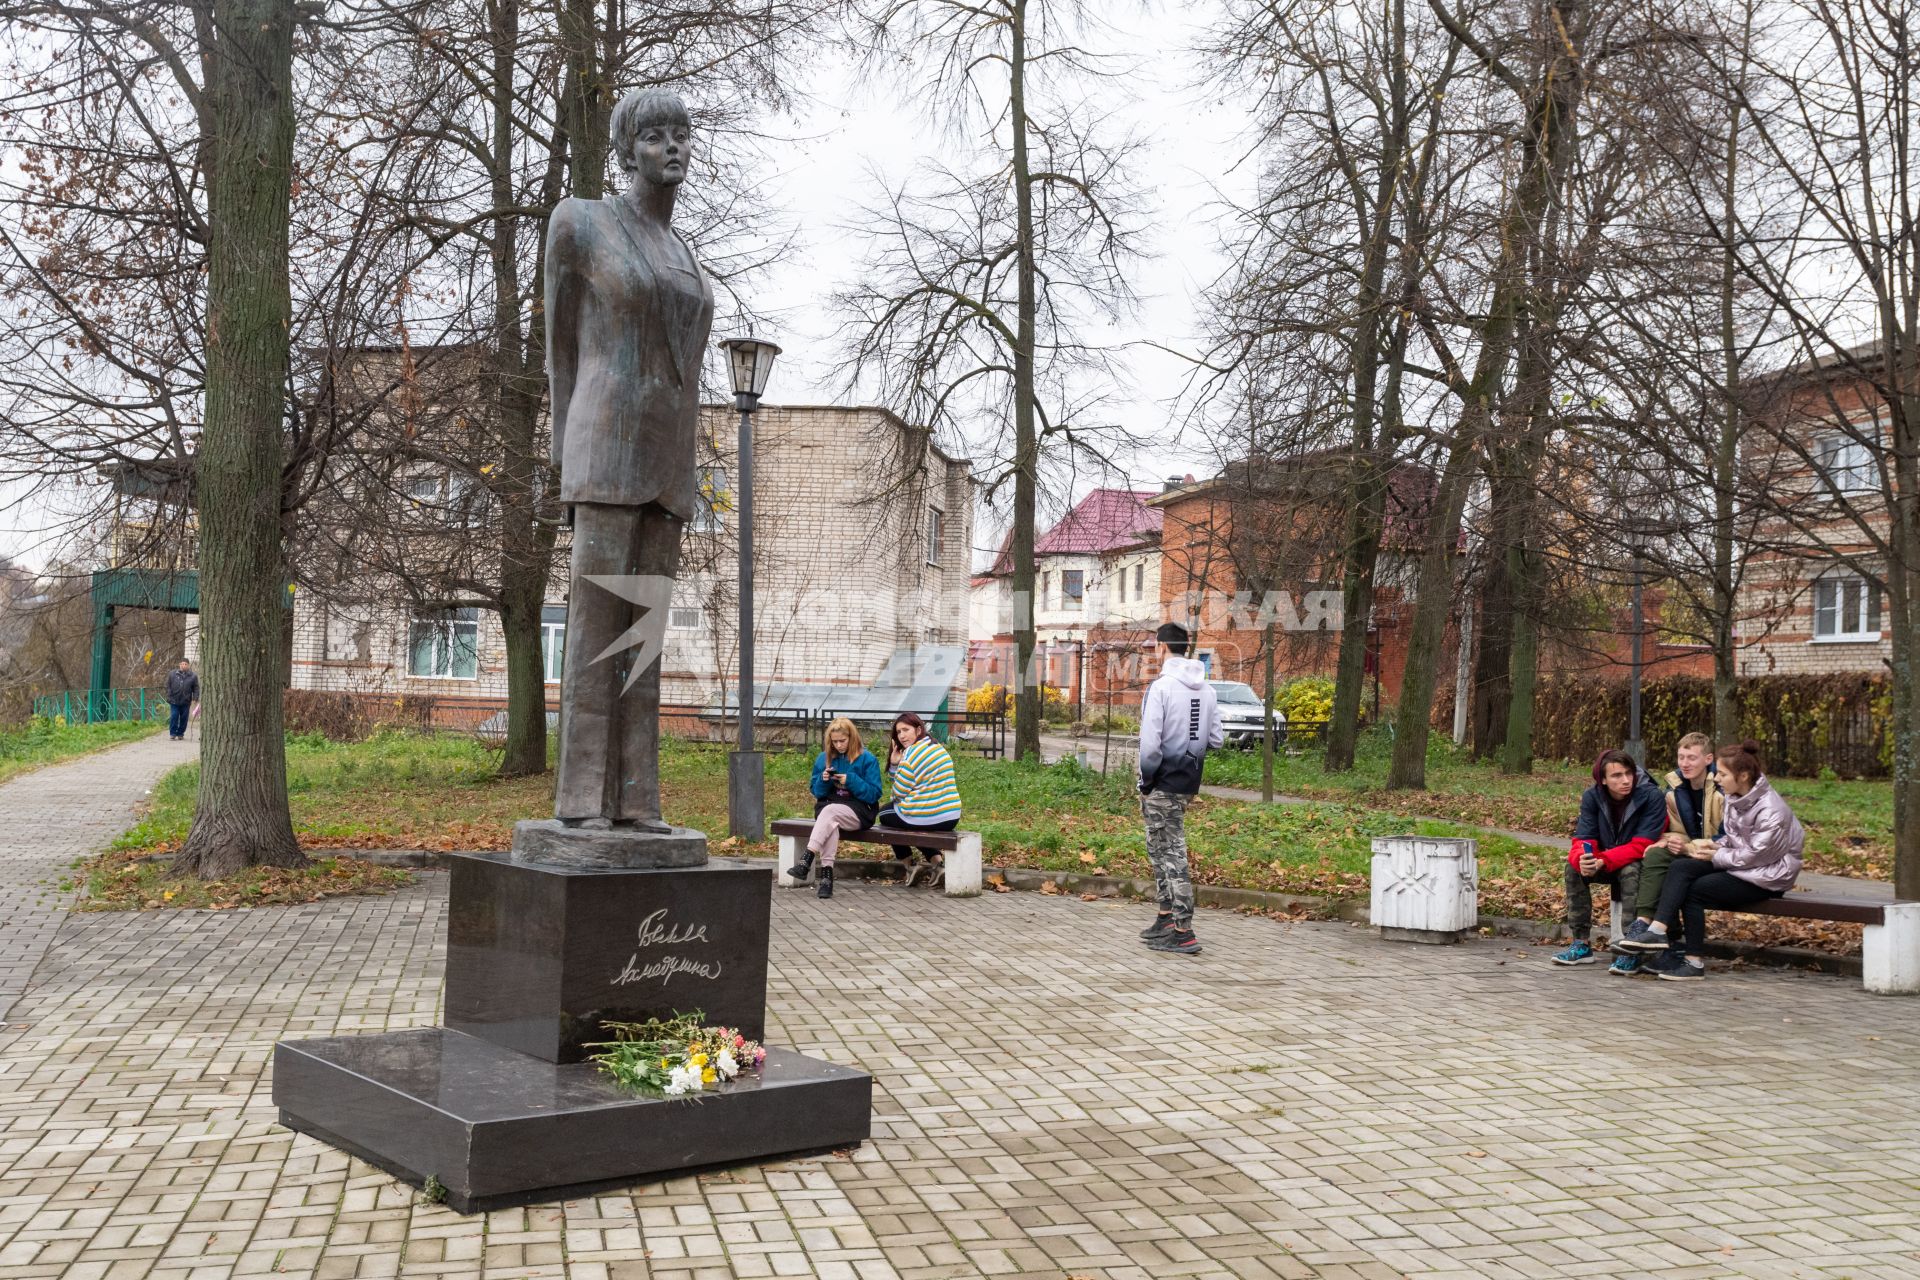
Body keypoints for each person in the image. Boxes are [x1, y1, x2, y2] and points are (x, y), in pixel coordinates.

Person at [544, 86, 714, 831]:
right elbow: (559, 347)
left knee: (643, 634)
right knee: (594, 627)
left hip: (666, 459)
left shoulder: (685, 255)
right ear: (626, 149)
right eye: (654, 135)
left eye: (681, 134)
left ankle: (638, 798)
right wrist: (562, 455)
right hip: (603, 445)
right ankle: (582, 798)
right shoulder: (582, 223)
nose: (672, 146)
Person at [1613, 740, 1803, 980]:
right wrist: (1706, 846)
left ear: (1743, 775)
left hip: (1769, 876)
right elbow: (1732, 838)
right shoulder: (1738, 797)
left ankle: (1693, 961)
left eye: (1722, 774)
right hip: (1744, 865)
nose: (1717, 778)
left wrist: (1715, 855)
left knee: (1695, 890)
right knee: (1681, 866)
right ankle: (1658, 931)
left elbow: (1757, 855)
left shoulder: (1771, 810)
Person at [1135, 622, 1224, 956]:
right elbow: (1215, 739)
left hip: (1162, 782)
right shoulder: (1207, 689)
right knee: (1158, 846)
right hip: (1188, 780)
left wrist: (1146, 782)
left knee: (1171, 852)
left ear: (1161, 647)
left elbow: (1149, 747)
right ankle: (1165, 916)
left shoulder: (1161, 688)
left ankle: (1183, 931)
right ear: (1185, 647)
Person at [1609, 732, 1725, 976]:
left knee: (1678, 871)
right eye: (1681, 757)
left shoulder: (1722, 790)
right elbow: (1678, 831)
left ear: (1708, 759)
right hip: (1693, 852)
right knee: (1655, 855)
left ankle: (1661, 935)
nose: (1685, 763)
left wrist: (1686, 848)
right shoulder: (1674, 789)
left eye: (1692, 758)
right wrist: (1669, 840)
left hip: (1720, 856)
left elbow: (1725, 839)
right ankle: (1643, 925)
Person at [1552, 749, 1665, 966]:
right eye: (1616, 776)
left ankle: (1632, 946)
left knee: (1630, 870)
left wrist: (1604, 859)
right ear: (1603, 780)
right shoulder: (1592, 797)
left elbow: (1643, 844)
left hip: (1637, 862)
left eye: (1628, 773)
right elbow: (1584, 837)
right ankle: (1581, 943)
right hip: (1605, 859)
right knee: (1573, 868)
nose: (1625, 780)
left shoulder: (1651, 796)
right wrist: (1584, 860)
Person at [785, 717, 881, 899]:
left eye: (842, 741)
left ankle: (806, 860)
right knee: (831, 821)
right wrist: (824, 779)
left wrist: (850, 780)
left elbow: (874, 794)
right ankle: (827, 879)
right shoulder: (824, 758)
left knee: (830, 813)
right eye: (835, 741)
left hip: (859, 811)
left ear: (852, 738)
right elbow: (816, 791)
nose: (839, 745)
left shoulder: (867, 759)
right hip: (829, 809)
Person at [878, 712, 962, 888]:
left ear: (918, 729)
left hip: (926, 815)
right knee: (912, 825)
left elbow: (898, 792)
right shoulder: (937, 747)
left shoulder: (911, 754)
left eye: (905, 730)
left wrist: (894, 765)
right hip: (951, 816)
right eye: (898, 732)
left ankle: (910, 866)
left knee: (886, 816)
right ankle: (938, 864)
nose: (901, 736)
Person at [164, 659, 199, 742]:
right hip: (174, 700)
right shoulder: (172, 674)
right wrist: (169, 695)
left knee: (184, 718)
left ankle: (180, 734)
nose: (183, 665)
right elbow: (168, 686)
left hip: (186, 701)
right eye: (182, 664)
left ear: (188, 665)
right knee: (174, 716)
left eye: (185, 664)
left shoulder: (193, 676)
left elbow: (196, 688)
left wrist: (195, 698)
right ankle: (172, 734)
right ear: (179, 665)